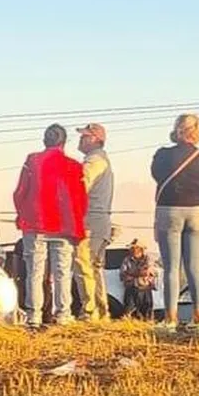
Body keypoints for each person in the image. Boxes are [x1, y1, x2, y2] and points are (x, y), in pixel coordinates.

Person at [13, 124, 87, 328]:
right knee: (62, 272)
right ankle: (63, 314)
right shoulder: (74, 166)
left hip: (35, 223)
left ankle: (34, 316)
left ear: (44, 140)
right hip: (64, 225)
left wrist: (22, 213)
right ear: (63, 142)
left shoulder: (32, 161)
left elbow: (20, 192)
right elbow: (81, 199)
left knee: (35, 272)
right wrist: (77, 221)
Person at [150, 114, 199, 332]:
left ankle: (170, 319)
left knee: (171, 268)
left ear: (177, 129)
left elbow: (157, 176)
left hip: (169, 209)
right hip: (198, 210)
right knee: (195, 267)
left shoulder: (162, 155)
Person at [73, 123, 114, 321]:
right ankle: (101, 311)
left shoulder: (94, 161)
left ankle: (90, 310)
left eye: (85, 136)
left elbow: (80, 186)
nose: (81, 139)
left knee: (83, 266)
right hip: (101, 219)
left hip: (90, 220)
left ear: (95, 139)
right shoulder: (102, 160)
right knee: (95, 267)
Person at [119, 239, 156, 320]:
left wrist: (132, 274)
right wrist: (138, 274)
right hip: (131, 288)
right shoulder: (127, 260)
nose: (134, 250)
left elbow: (147, 272)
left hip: (145, 288)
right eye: (132, 248)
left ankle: (147, 321)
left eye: (136, 248)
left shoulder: (148, 259)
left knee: (147, 310)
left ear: (141, 249)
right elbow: (122, 275)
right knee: (128, 310)